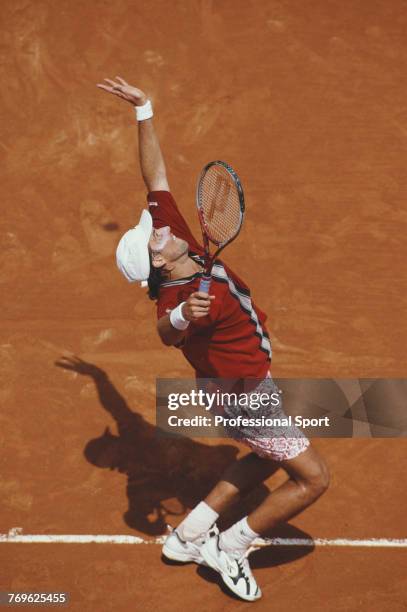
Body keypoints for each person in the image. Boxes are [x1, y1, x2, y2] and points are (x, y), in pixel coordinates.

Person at [97, 76, 330, 602]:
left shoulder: (170, 238)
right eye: (151, 234)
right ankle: (232, 547)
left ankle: (189, 532)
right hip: (244, 395)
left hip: (236, 387)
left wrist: (144, 110)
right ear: (159, 259)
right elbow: (164, 331)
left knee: (266, 457)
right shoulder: (178, 300)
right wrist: (183, 317)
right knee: (313, 478)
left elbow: (152, 174)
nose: (156, 222)